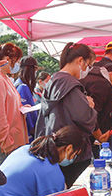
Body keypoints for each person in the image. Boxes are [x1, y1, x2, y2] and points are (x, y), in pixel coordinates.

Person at [35, 42, 98, 187]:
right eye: (89, 65)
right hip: (72, 152)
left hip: (54, 149)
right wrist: (90, 106)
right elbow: (86, 119)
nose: (87, 70)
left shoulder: (52, 81)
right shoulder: (71, 85)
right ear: (80, 61)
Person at [14, 55, 39, 142]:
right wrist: (33, 129)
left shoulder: (21, 84)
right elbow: (26, 113)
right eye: (35, 69)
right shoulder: (22, 87)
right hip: (28, 132)